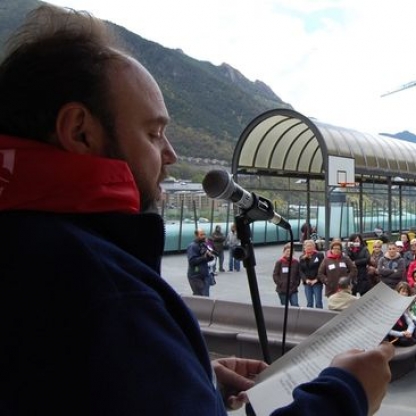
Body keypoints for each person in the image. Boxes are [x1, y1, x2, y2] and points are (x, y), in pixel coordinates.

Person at [0, 5, 394, 414]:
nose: (169, 153)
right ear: (80, 131)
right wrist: (346, 394)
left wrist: (189, 379)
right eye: (153, 133)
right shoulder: (103, 291)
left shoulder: (26, 246)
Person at [187, 228, 216, 296]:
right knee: (201, 296)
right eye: (201, 235)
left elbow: (208, 259)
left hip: (204, 275)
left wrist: (210, 256)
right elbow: (192, 261)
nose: (203, 236)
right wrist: (204, 257)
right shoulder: (192, 246)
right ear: (196, 236)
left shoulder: (203, 245)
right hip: (195, 276)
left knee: (205, 296)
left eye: (204, 234)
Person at [299, 239, 325, 308]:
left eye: (310, 246)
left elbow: (322, 269)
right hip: (307, 283)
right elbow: (301, 271)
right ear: (304, 247)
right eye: (307, 246)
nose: (309, 247)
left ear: (314, 247)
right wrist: (306, 280)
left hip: (317, 282)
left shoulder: (319, 255)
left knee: (318, 301)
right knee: (309, 302)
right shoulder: (302, 257)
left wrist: (316, 279)